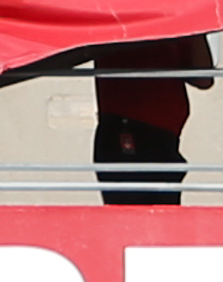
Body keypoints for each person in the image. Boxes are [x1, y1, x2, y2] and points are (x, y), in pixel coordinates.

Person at [90, 35, 214, 205]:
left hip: (157, 135)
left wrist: (197, 28)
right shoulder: (132, 19)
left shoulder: (171, 20)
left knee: (158, 216)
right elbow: (203, 77)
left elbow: (204, 77)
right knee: (141, 216)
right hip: (131, 129)